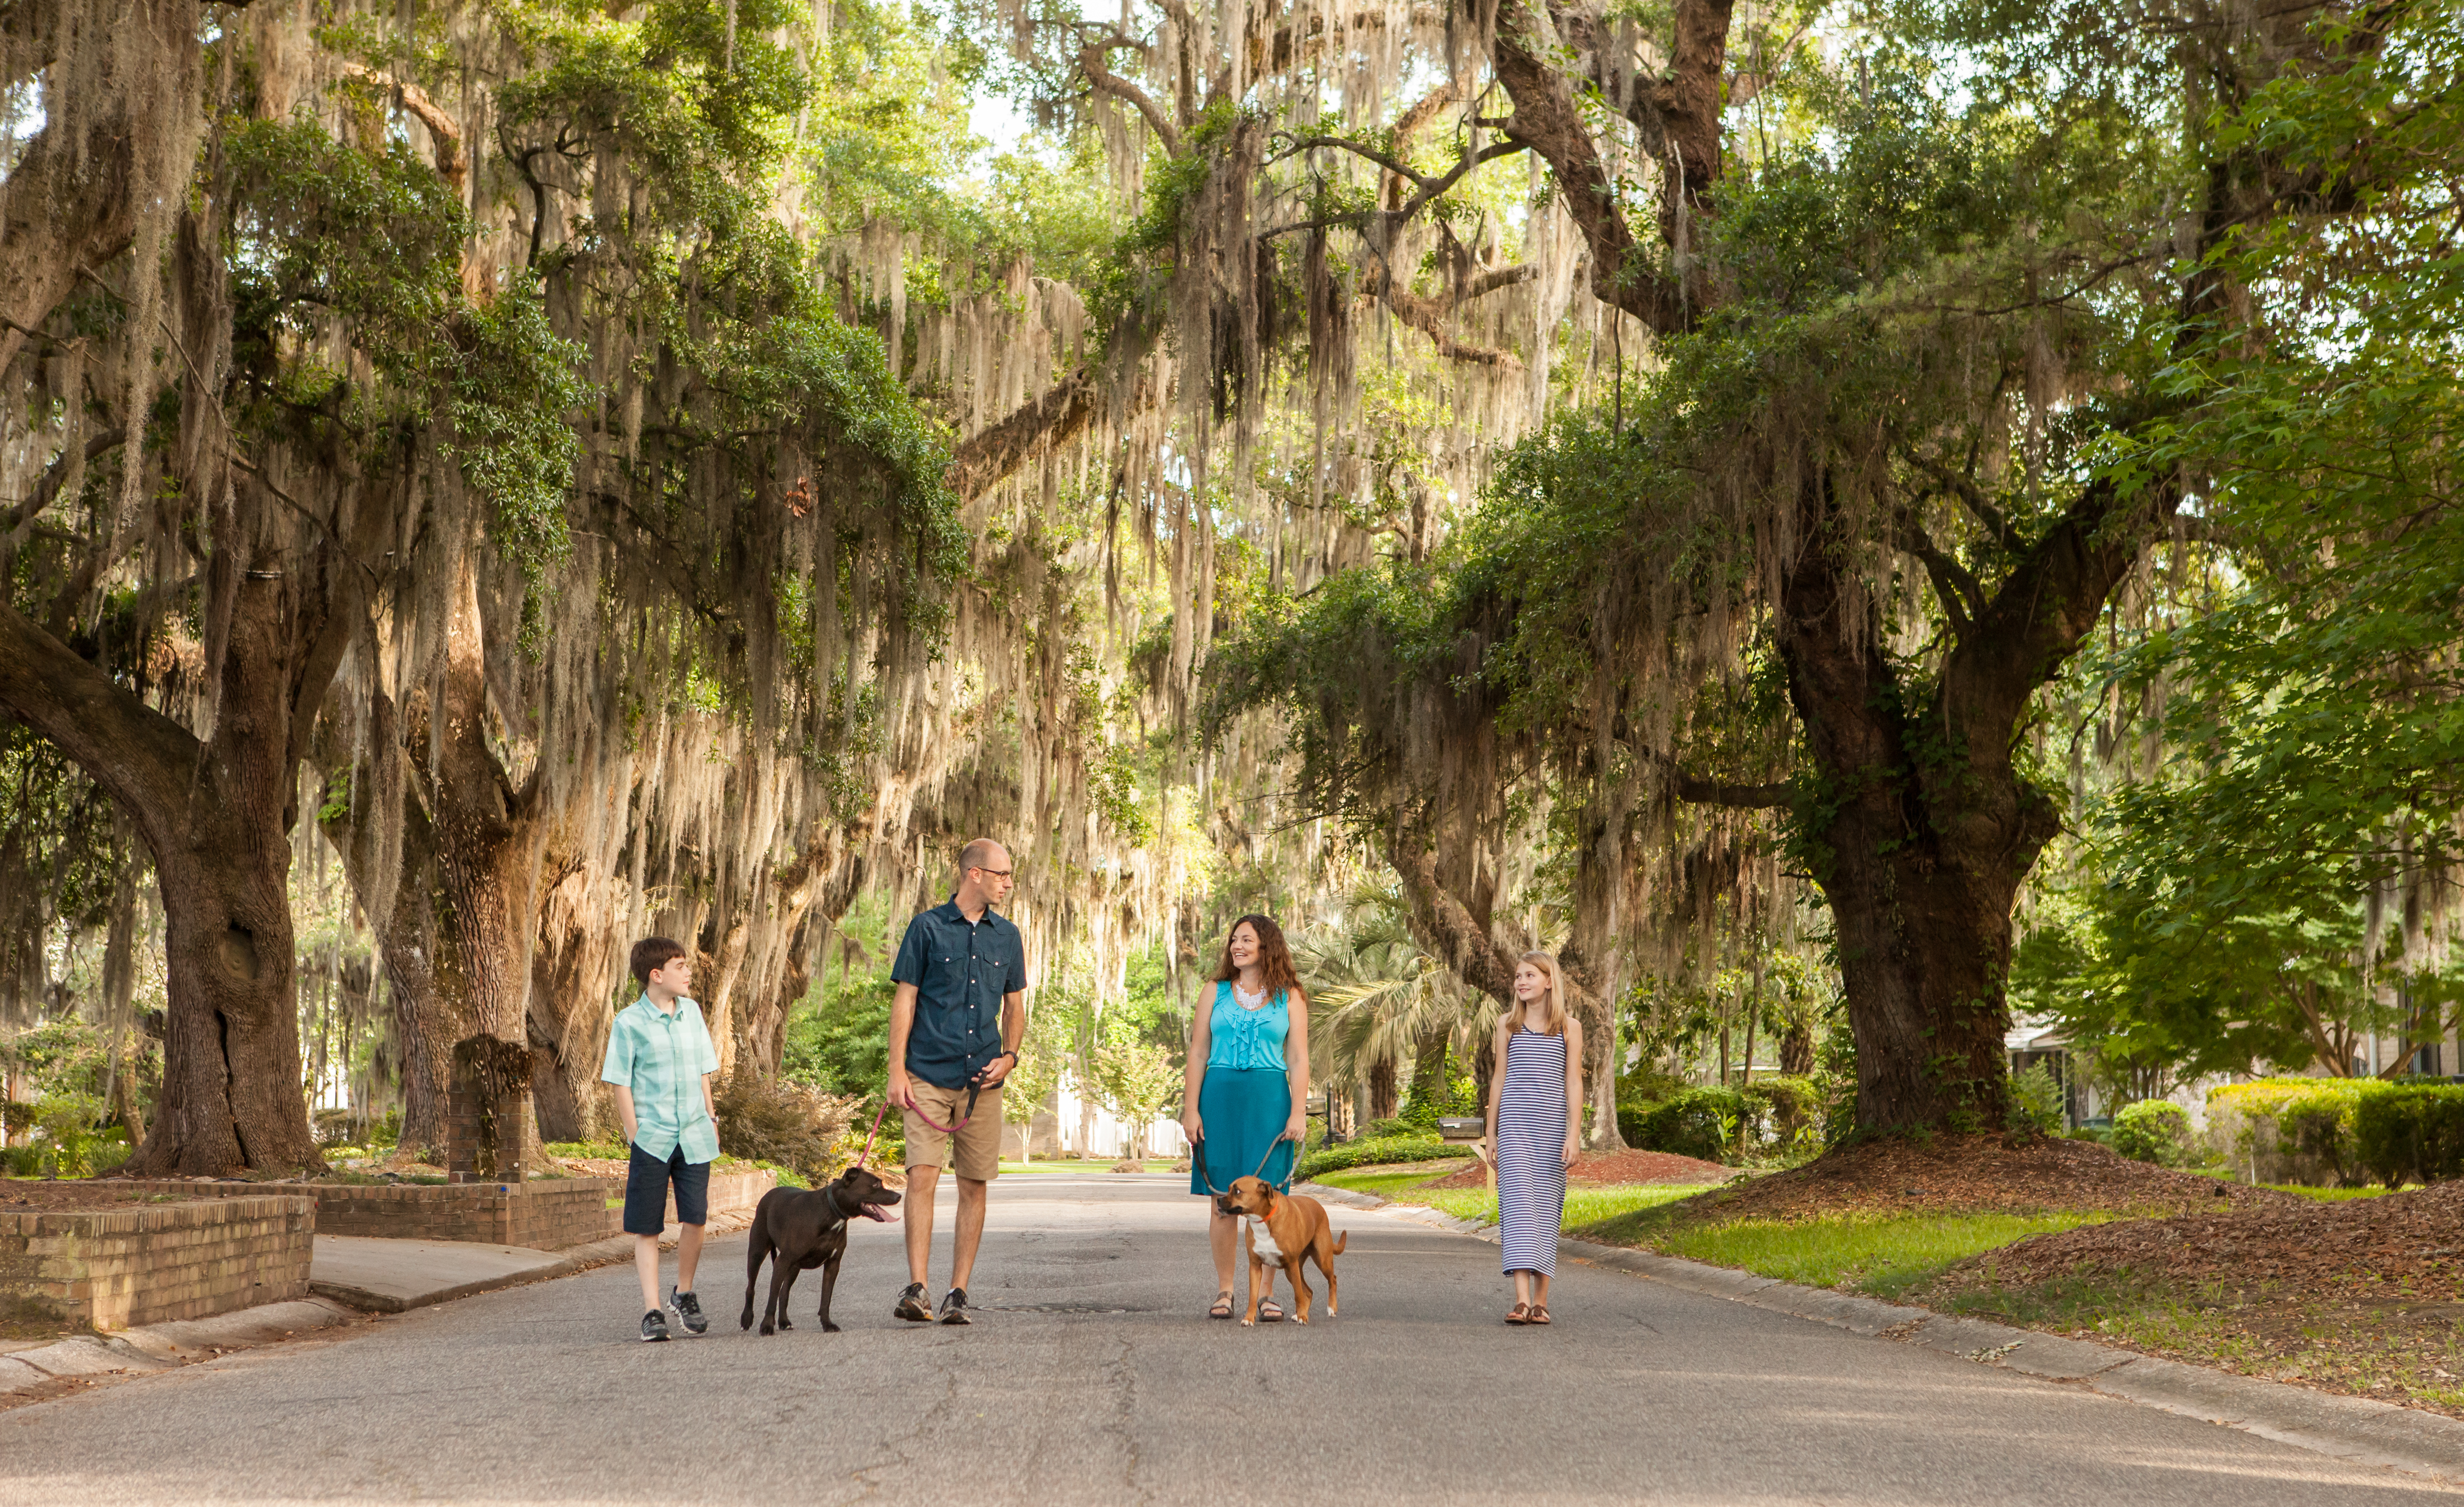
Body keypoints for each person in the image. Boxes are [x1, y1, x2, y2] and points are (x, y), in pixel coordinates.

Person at [886, 838, 1027, 1325]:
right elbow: (905, 1000)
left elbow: (1015, 1005)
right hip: (926, 1072)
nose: (1009, 883)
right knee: (921, 1175)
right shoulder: (926, 927)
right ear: (974, 874)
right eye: (1002, 874)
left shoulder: (1007, 936)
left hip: (982, 1082)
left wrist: (1010, 1058)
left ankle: (958, 1292)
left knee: (974, 1184)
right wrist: (896, 1070)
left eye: (1010, 875)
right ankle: (918, 1287)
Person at [1180, 914, 1311, 1321]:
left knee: (1269, 1202)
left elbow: (1298, 1058)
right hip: (1219, 1101)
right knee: (1223, 1201)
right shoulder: (1213, 992)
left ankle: (1268, 1294)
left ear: (1266, 947)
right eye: (1234, 940)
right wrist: (1190, 1109)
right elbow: (1198, 1053)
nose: (1237, 946)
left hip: (1269, 1102)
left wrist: (1297, 1111)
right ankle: (1225, 1291)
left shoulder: (1290, 997)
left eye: (1247, 940)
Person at [600, 937, 723, 1342]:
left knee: (697, 1218)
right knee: (647, 1227)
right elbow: (619, 1081)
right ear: (657, 975)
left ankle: (683, 1292)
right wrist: (634, 1133)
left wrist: (711, 1114)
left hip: (694, 1133)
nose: (688, 973)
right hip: (652, 1138)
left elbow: (704, 1068)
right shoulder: (628, 1022)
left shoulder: (692, 1013)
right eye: (681, 966)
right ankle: (652, 1310)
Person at [1483, 950, 1583, 1325]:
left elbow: (1573, 1081)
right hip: (1514, 1127)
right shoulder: (1507, 1024)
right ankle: (1521, 1300)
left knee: (1545, 1208)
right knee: (1518, 1206)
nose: (1521, 982)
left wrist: (1573, 1134)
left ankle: (1541, 1301)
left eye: (1529, 976)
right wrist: (1490, 1133)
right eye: (1518, 977)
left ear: (1548, 981)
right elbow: (1499, 1079)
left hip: (1552, 1129)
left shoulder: (1569, 1027)